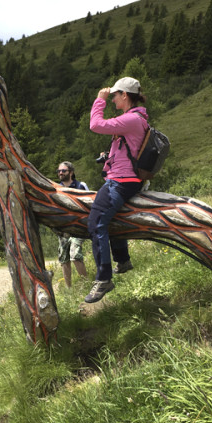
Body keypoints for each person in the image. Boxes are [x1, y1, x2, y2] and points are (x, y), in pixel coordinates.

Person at [84, 77, 148, 304]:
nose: (111, 98)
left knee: (95, 223)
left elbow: (95, 125)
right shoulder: (136, 119)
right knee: (110, 219)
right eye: (109, 95)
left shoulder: (131, 119)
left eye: (115, 94)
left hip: (120, 182)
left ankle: (103, 279)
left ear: (125, 95)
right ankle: (123, 260)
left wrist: (98, 101)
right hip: (124, 178)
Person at [55, 161, 89, 287]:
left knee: (75, 255)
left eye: (63, 171)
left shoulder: (81, 185)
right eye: (59, 171)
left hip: (79, 227)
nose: (60, 173)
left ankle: (87, 285)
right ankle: (69, 290)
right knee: (64, 259)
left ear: (71, 172)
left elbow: (90, 203)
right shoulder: (56, 188)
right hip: (63, 228)